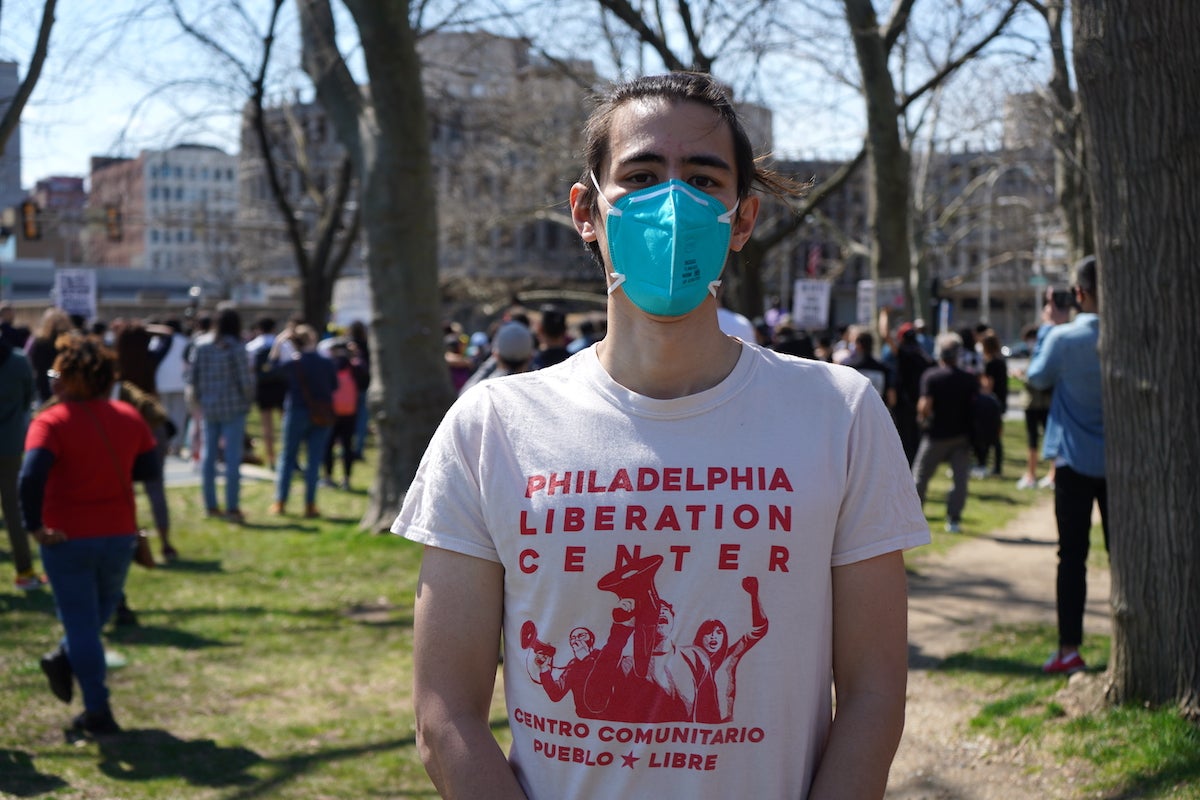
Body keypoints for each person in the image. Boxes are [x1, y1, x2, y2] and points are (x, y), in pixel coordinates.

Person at [395, 72, 929, 800]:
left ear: (742, 220)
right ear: (588, 210)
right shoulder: (492, 427)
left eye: (704, 180)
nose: (671, 203)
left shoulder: (839, 414)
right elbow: (444, 715)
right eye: (641, 175)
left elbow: (873, 696)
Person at [19, 333, 161, 736]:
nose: (52, 380)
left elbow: (30, 478)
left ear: (67, 378)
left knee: (82, 624)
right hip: (118, 534)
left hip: (65, 538)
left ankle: (97, 710)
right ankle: (65, 661)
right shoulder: (127, 416)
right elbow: (150, 471)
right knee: (92, 620)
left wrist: (33, 527)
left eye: (55, 373)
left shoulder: (51, 421)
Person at [1025, 256, 1107, 675]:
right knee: (1122, 554)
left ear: (1077, 294)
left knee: (1071, 557)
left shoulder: (1063, 337)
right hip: (1122, 463)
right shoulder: (1128, 331)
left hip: (1074, 460)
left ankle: (1069, 648)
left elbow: (1037, 379)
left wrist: (1048, 329)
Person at [187, 307, 254, 523]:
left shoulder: (201, 345)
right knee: (232, 458)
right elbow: (245, 381)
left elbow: (192, 377)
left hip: (208, 407)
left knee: (208, 457)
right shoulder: (237, 348)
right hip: (233, 407)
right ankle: (232, 506)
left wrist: (198, 400)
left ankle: (211, 505)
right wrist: (248, 400)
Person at [911, 332, 979, 533]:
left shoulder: (931, 376)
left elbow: (924, 406)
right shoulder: (968, 378)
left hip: (935, 436)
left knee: (920, 477)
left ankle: (914, 517)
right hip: (962, 437)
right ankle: (953, 519)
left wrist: (921, 419)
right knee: (960, 481)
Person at [268, 324, 337, 518]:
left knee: (288, 457)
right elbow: (334, 385)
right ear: (313, 339)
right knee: (314, 460)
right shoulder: (326, 362)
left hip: (296, 412)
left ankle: (280, 501)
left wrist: (278, 344)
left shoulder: (294, 363)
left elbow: (271, 369)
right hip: (322, 415)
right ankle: (310, 504)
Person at [1, 334, 42, 590]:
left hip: (11, 443)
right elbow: (29, 397)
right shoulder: (18, 360)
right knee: (13, 511)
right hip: (10, 443)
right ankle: (25, 571)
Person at [1015, 323, 1055, 490]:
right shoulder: (1037, 354)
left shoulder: (1043, 354)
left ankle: (1051, 475)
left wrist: (1021, 377)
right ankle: (1033, 474)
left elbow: (1037, 380)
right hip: (1034, 404)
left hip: (1040, 403)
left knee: (1048, 440)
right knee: (1033, 440)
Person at [246, 317, 286, 469]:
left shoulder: (252, 346)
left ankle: (271, 459)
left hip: (262, 388)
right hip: (280, 387)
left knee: (266, 425)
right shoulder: (281, 344)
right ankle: (288, 457)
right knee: (285, 424)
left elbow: (249, 369)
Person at [458, 320, 535, 394]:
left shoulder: (485, 391)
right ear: (530, 356)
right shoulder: (539, 388)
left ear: (496, 355)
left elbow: (465, 392)